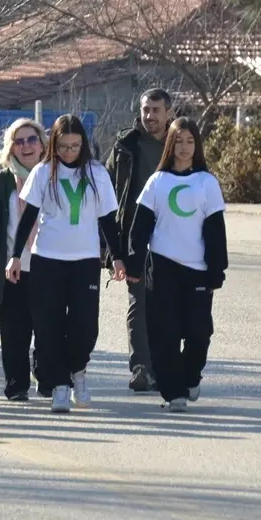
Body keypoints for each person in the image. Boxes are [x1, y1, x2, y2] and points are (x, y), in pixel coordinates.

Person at [8, 114, 125, 414]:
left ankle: (78, 371)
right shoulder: (43, 172)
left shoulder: (97, 174)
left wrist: (118, 257)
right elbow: (28, 217)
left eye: (75, 146)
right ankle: (60, 385)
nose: (69, 152)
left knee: (85, 327)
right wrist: (16, 256)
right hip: (47, 259)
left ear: (84, 144)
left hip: (85, 260)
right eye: (63, 146)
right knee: (48, 326)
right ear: (54, 145)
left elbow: (108, 220)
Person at [126, 117, 227, 413]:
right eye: (179, 141)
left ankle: (191, 375)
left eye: (190, 141)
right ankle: (173, 393)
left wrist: (216, 269)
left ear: (197, 145)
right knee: (164, 333)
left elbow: (216, 229)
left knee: (199, 332)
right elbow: (140, 226)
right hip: (162, 266)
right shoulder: (158, 182)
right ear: (170, 145)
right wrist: (133, 263)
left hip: (196, 268)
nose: (184, 148)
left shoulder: (206, 182)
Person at [0, 119, 48, 400]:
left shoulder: (54, 177)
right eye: (19, 141)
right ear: (10, 148)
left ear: (42, 144)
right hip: (11, 268)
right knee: (14, 332)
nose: (26, 146)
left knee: (47, 327)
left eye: (31, 140)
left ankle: (45, 374)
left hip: (48, 266)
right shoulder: (1, 183)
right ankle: (16, 384)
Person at [106, 87, 172, 393]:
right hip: (135, 236)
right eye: (146, 110)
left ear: (168, 112)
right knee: (139, 302)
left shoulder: (180, 143)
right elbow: (107, 189)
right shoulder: (125, 145)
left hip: (174, 237)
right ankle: (142, 368)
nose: (150, 116)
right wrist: (109, 243)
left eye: (156, 110)